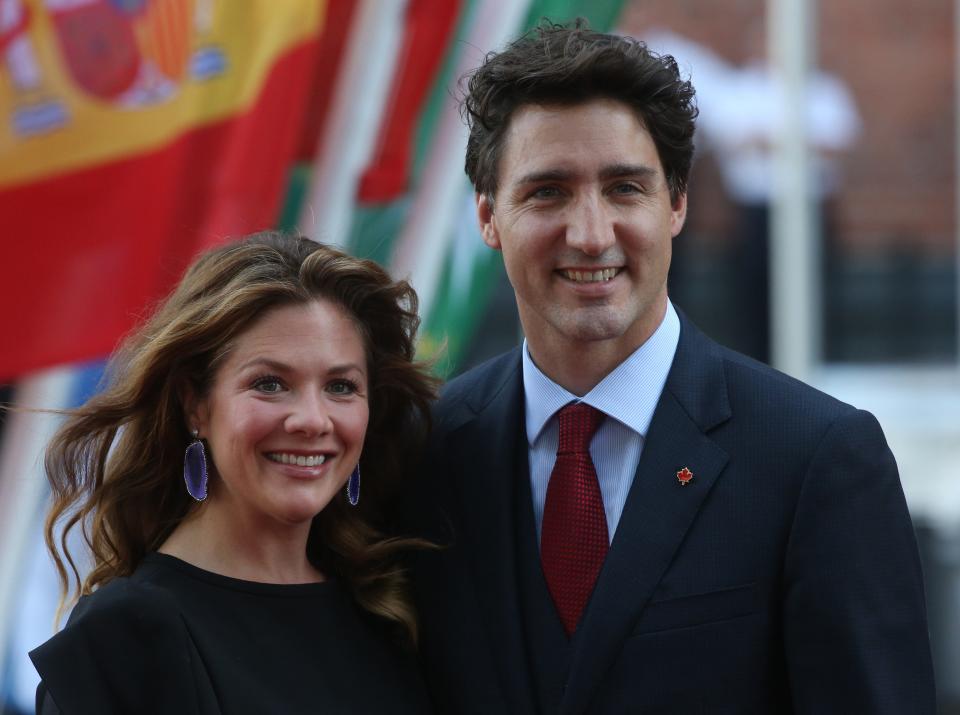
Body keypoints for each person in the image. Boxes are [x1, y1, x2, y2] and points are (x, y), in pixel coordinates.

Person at [410, 20, 936, 714]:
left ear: (678, 204)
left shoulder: (817, 459)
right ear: (486, 215)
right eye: (547, 192)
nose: (591, 232)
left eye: (625, 188)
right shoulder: (426, 451)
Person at [29, 232, 437, 714]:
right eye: (270, 383)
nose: (312, 419)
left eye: (341, 386)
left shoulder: (387, 609)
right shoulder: (124, 636)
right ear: (195, 404)